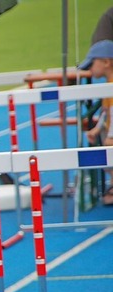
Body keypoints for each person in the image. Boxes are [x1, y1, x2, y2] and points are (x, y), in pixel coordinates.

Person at [80, 39, 113, 206]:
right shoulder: (107, 85)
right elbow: (106, 112)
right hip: (108, 129)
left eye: (93, 64)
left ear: (106, 62)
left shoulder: (111, 85)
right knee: (105, 158)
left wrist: (111, 135)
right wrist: (98, 128)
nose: (90, 69)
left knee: (108, 156)